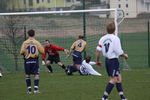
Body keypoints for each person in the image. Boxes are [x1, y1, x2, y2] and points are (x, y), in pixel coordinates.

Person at [96, 22, 128, 100]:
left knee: (119, 78)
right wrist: (125, 55)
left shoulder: (102, 38)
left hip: (107, 60)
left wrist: (97, 60)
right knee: (114, 79)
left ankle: (122, 97)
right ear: (114, 29)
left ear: (106, 29)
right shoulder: (115, 38)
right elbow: (118, 51)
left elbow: (97, 50)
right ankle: (104, 97)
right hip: (113, 61)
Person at [20, 29, 44, 94]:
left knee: (27, 75)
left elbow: (21, 52)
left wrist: (25, 53)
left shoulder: (25, 42)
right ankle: (36, 90)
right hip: (35, 60)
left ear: (28, 34)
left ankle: (29, 90)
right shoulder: (37, 42)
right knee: (36, 74)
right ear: (34, 34)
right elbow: (42, 51)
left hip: (27, 60)